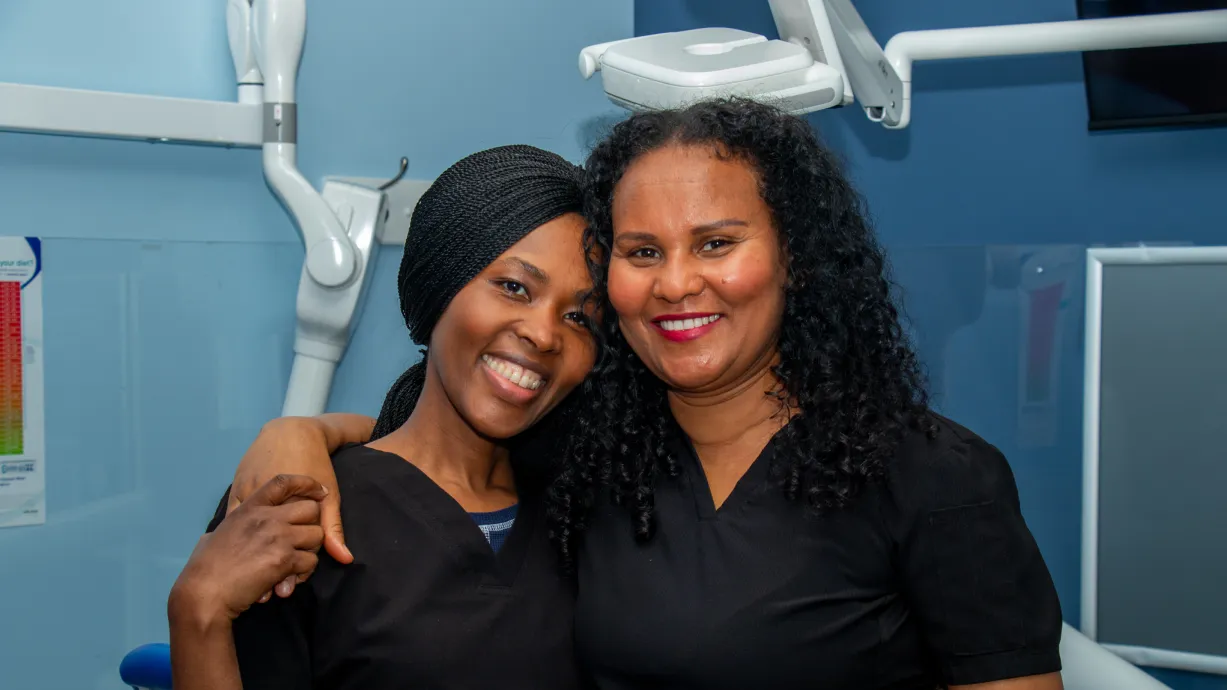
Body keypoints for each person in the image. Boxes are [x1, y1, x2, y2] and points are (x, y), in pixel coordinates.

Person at [224, 98, 1065, 690]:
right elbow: (434, 453)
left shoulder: (934, 479)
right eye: (640, 251)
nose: (677, 284)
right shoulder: (591, 461)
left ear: (796, 258)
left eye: (715, 242)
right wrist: (299, 434)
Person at [166, 145, 597, 690]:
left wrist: (309, 426)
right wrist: (197, 611)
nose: (544, 333)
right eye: (514, 287)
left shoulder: (584, 510)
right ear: (441, 281)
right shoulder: (304, 516)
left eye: (580, 316)